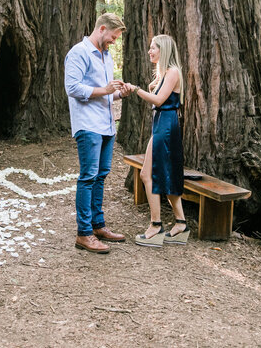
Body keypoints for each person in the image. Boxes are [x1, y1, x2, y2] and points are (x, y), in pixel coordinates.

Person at [65, 13, 133, 254]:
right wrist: (104, 89)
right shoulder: (79, 53)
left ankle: (97, 225)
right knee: (88, 176)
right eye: (113, 37)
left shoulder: (107, 56)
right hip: (88, 125)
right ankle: (83, 233)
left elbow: (105, 93)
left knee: (101, 175)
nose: (114, 41)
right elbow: (72, 87)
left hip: (106, 124)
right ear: (102, 29)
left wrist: (118, 93)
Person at [125, 34, 188, 247]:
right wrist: (154, 83)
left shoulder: (173, 72)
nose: (150, 51)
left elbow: (159, 100)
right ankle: (180, 224)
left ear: (164, 50)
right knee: (161, 173)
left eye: (153, 48)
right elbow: (157, 90)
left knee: (149, 174)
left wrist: (136, 89)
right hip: (162, 124)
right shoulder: (165, 73)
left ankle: (156, 225)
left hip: (166, 125)